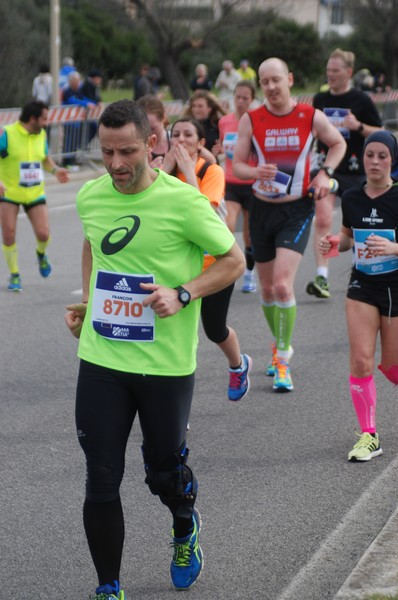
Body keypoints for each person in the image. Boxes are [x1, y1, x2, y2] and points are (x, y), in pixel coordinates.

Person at [64, 99, 245, 600]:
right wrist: (87, 302)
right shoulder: (92, 197)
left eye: (127, 152)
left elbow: (233, 260)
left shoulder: (183, 202)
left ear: (152, 144)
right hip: (103, 358)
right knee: (101, 476)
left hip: (165, 365)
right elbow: (94, 245)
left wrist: (184, 292)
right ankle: (108, 587)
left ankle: (184, 527)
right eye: (106, 153)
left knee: (164, 470)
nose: (117, 164)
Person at [232, 57, 346, 392]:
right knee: (267, 290)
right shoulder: (251, 119)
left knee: (282, 285)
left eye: (276, 80)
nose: (270, 87)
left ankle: (282, 358)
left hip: (296, 208)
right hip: (262, 208)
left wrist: (325, 173)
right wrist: (256, 172)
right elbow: (237, 165)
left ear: (290, 79)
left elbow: (338, 144)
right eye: (264, 82)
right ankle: (279, 343)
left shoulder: (309, 115)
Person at [318, 130, 398, 461]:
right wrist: (336, 244)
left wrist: (394, 248)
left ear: (393, 161)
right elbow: (349, 235)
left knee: (395, 371)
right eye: (370, 155)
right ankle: (369, 435)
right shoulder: (352, 197)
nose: (375, 162)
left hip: (397, 289)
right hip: (362, 286)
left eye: (383, 156)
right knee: (361, 359)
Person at [162, 116, 252, 401]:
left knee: (214, 329)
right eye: (175, 134)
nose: (180, 139)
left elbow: (203, 214)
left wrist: (188, 173)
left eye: (188, 135)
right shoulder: (160, 173)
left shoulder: (211, 171)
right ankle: (174, 407)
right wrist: (164, 169)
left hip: (215, 265)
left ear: (200, 144)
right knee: (175, 337)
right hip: (177, 266)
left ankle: (238, 364)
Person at [306, 48, 383, 299]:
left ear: (348, 72)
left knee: (358, 224)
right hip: (328, 167)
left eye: (335, 70)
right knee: (324, 217)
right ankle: (322, 277)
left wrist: (357, 126)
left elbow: (379, 134)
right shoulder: (319, 99)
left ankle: (361, 272)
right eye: (328, 70)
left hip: (357, 170)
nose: (330, 74)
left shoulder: (361, 100)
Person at [0, 100, 69, 291]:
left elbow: (44, 158)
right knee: (8, 234)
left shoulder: (41, 134)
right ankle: (14, 274)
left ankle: (41, 254)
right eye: (44, 119)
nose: (47, 123)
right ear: (33, 118)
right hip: (9, 193)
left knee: (43, 233)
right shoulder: (6, 134)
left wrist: (56, 170)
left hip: (35, 192)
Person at [215, 80, 257, 293]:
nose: (240, 102)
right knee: (228, 223)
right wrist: (219, 149)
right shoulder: (225, 121)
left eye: (245, 98)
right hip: (230, 180)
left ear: (252, 99)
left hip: (251, 183)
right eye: (237, 97)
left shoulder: (257, 121)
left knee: (249, 234)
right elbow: (223, 146)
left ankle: (249, 273)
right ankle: (227, 268)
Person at [62, 71, 97, 167]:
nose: (78, 83)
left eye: (78, 81)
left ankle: (73, 159)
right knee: (68, 141)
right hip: (69, 122)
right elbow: (72, 101)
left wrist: (94, 103)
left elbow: (83, 99)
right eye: (76, 81)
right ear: (71, 82)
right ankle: (67, 161)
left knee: (74, 141)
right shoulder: (67, 91)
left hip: (76, 122)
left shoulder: (77, 91)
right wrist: (86, 104)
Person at [136, 95, 170, 168]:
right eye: (141, 128)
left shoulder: (175, 142)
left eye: (152, 128)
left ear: (163, 118)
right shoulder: (133, 147)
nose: (147, 133)